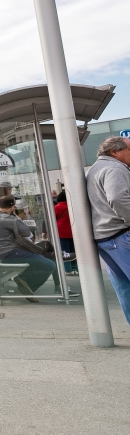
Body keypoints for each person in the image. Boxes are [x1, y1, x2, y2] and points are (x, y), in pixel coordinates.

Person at [85, 136, 130, 325]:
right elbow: (118, 198)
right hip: (121, 235)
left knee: (125, 289)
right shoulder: (115, 168)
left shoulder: (95, 168)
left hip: (105, 238)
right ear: (115, 152)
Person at [0, 195, 55, 302]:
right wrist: (16, 217)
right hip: (10, 253)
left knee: (40, 256)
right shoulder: (8, 218)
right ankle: (26, 284)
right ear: (12, 207)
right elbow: (26, 232)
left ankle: (24, 281)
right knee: (49, 265)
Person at [53, 191, 77, 275]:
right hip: (73, 232)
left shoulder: (56, 208)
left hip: (61, 232)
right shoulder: (72, 207)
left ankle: (68, 270)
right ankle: (78, 269)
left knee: (65, 252)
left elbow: (53, 219)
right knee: (76, 251)